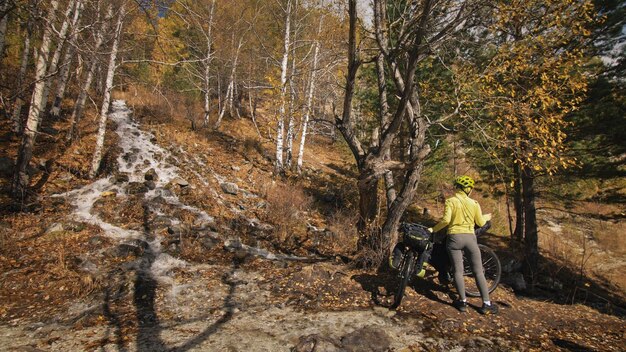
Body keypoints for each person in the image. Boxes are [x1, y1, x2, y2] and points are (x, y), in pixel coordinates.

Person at [429, 175, 498, 315]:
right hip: (470, 239)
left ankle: (462, 302)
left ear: (457, 188)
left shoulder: (451, 201)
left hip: (454, 238)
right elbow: (480, 223)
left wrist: (433, 229)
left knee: (457, 272)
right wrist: (486, 217)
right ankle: (486, 304)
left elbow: (446, 220)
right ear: (468, 189)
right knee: (478, 271)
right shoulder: (474, 203)